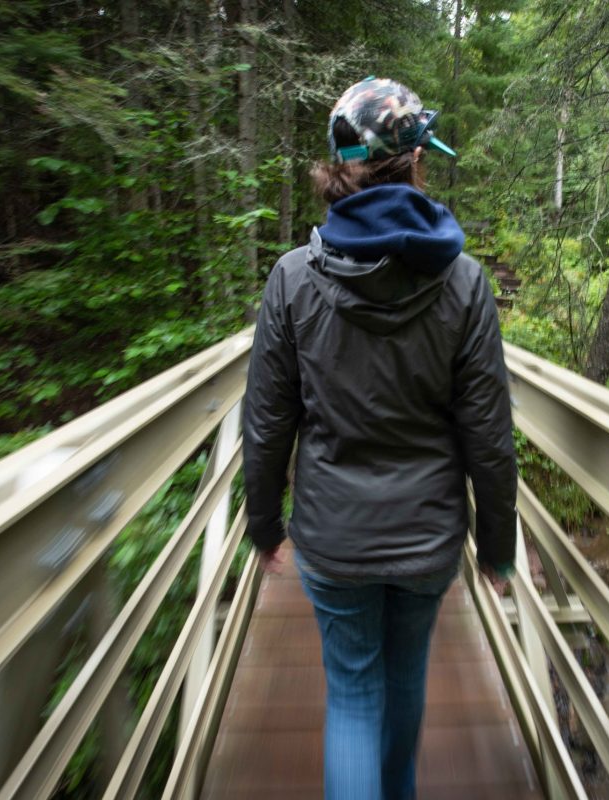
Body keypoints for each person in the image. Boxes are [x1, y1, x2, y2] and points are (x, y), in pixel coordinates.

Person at [243, 76, 517, 800]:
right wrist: (497, 547)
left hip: (334, 537)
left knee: (355, 699)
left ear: (339, 167)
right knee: (404, 688)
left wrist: (264, 522)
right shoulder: (464, 283)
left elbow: (268, 419)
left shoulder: (292, 280)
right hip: (427, 538)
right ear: (415, 162)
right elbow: (488, 433)